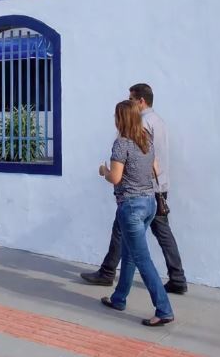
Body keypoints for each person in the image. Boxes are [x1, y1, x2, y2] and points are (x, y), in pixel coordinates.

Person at [81, 83, 187, 294]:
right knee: (159, 233)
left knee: (125, 235)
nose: (129, 103)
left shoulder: (143, 124)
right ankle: (176, 277)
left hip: (140, 190)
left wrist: (107, 170)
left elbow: (137, 159)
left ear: (141, 101)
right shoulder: (159, 121)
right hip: (156, 186)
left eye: (131, 99)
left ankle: (108, 273)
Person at [98, 100, 174, 327]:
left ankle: (164, 309)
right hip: (149, 203)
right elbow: (156, 169)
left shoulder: (121, 144)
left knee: (142, 260)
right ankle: (118, 298)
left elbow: (116, 178)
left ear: (121, 118)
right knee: (129, 254)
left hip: (131, 206)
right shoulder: (146, 141)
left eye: (115, 115)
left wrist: (104, 171)